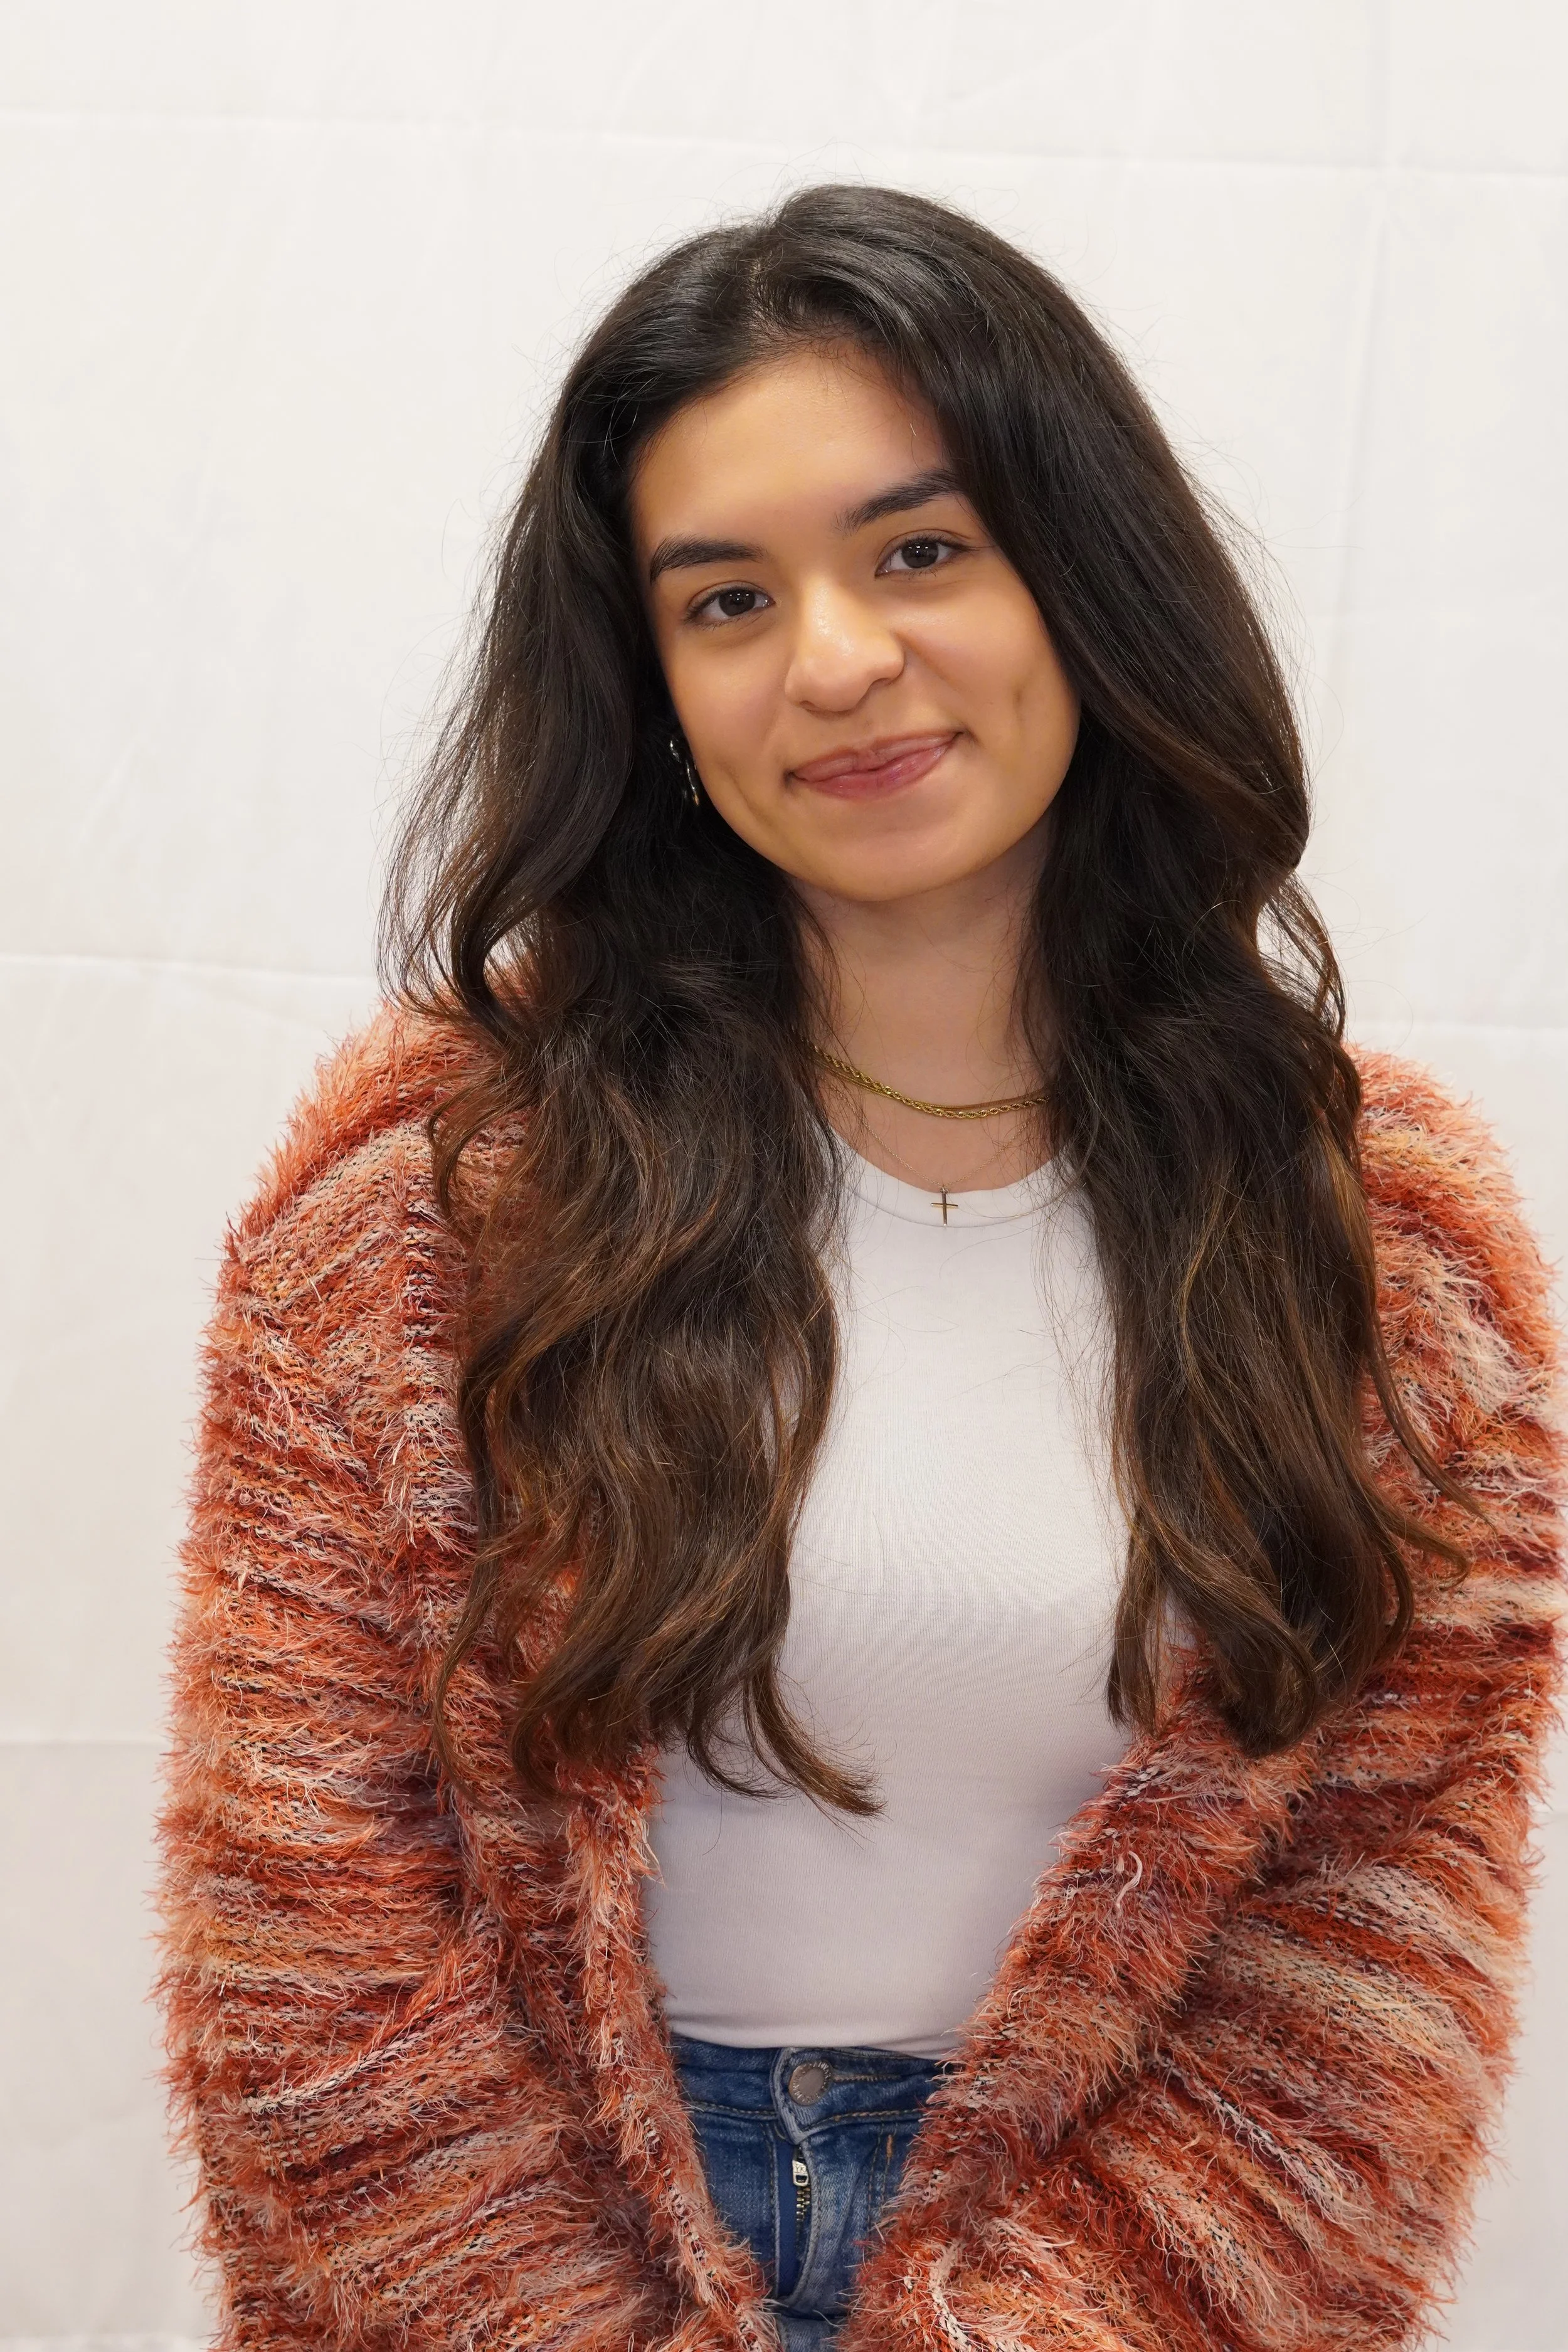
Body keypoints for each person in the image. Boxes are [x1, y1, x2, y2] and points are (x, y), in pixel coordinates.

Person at [154, 186, 1562, 2352]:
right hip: (510, 2277)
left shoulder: (1402, 1254)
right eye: (725, 600)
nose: (833, 661)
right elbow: (313, 1926)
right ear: (652, 687)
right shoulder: (423, 1197)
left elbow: (1360, 1971)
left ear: (1080, 582)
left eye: (918, 550)